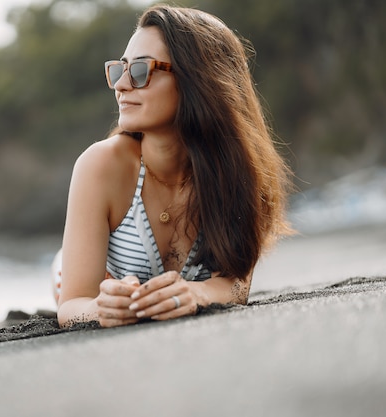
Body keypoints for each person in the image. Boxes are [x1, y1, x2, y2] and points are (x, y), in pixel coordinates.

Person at [55, 4, 293, 328]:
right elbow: (71, 304)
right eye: (118, 70)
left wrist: (195, 294)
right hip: (86, 266)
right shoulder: (100, 166)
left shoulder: (237, 170)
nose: (121, 86)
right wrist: (103, 309)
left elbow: (235, 284)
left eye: (140, 71)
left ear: (196, 78)